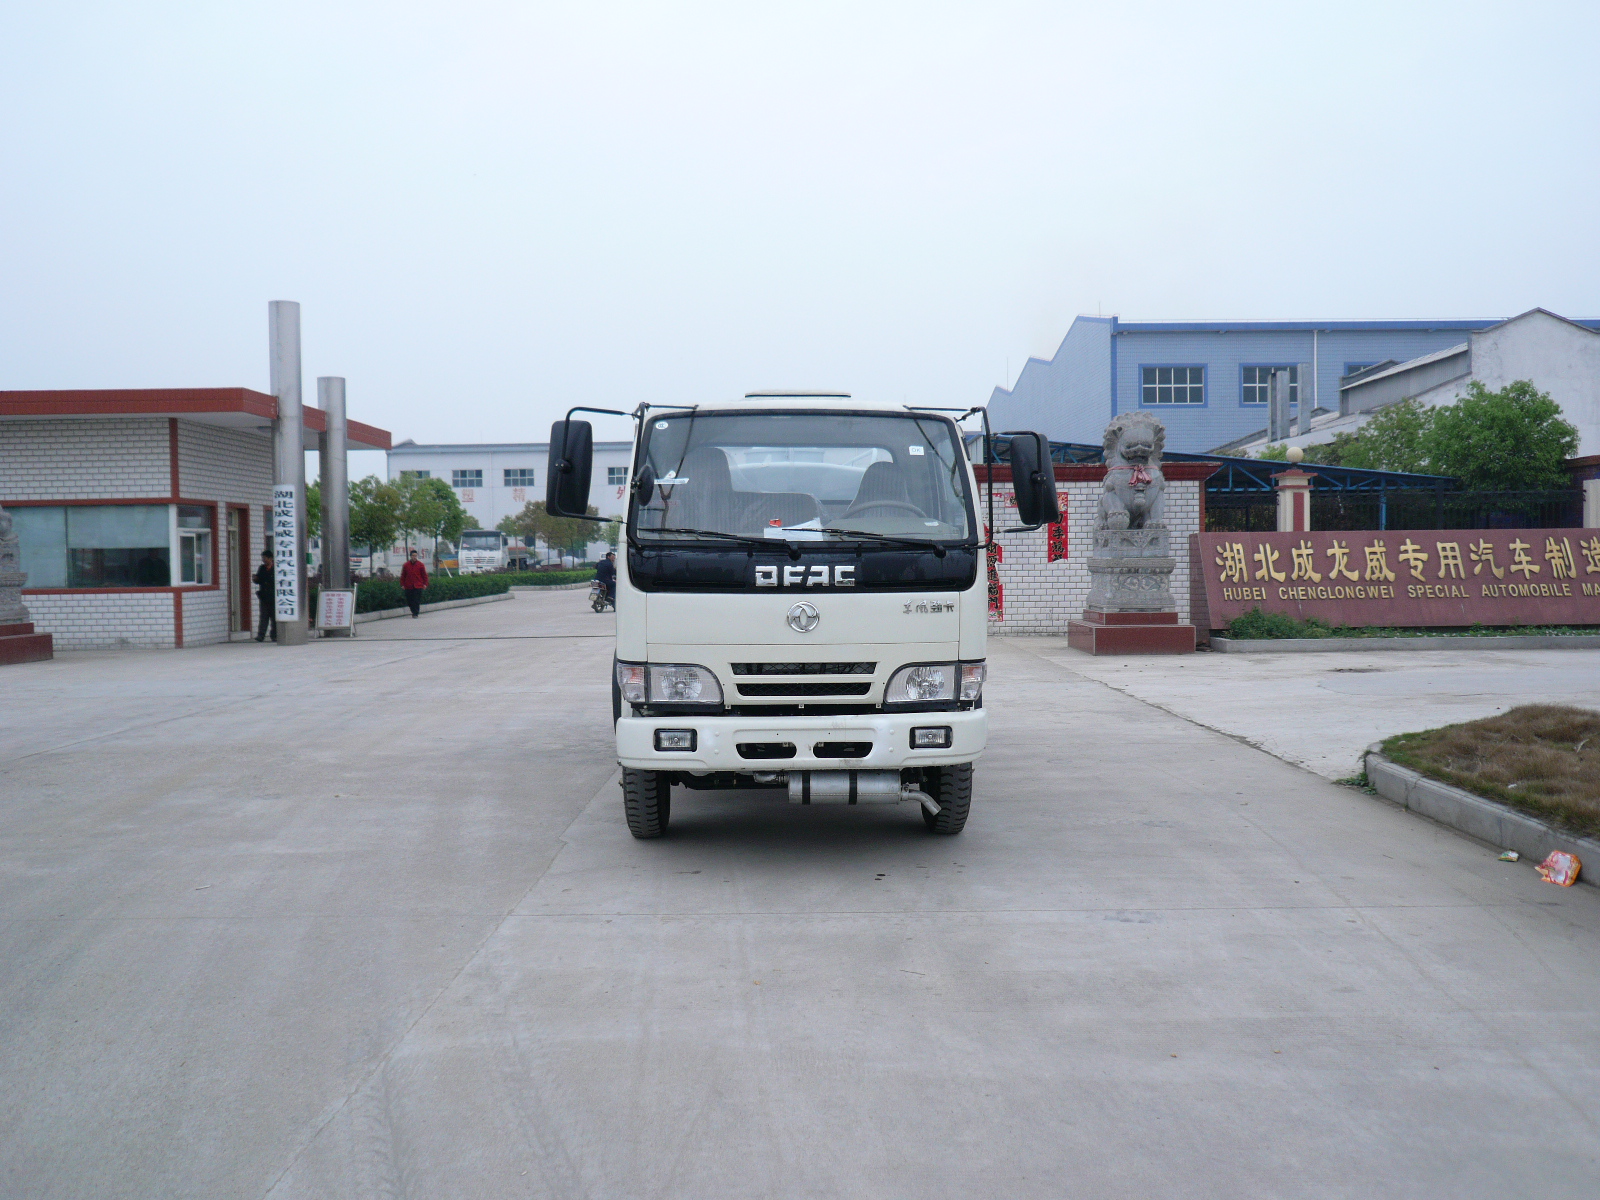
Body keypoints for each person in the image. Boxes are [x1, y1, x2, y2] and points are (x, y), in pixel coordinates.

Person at [253, 549, 276, 642]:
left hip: (274, 596)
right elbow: (259, 580)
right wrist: (255, 579)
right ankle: (261, 635)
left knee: (274, 617)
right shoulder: (262, 568)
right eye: (263, 558)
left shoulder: (276, 568)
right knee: (263, 617)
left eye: (265, 558)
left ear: (270, 558)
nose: (264, 560)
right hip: (264, 596)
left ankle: (274, 635)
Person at [400, 549, 428, 618]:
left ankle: (415, 613)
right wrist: (402, 584)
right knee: (410, 600)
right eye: (413, 556)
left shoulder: (420, 565)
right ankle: (413, 610)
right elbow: (403, 575)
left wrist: (425, 584)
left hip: (418, 585)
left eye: (415, 556)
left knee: (416, 600)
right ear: (410, 556)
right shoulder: (406, 565)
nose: (414, 557)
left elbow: (424, 575)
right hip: (408, 586)